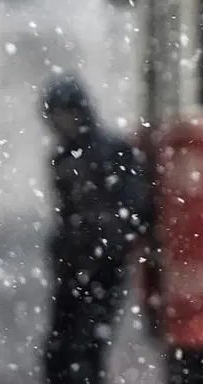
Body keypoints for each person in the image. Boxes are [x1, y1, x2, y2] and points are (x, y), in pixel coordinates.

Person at [40, 75, 151, 384]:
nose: (61, 123)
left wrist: (104, 240)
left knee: (86, 349)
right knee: (61, 350)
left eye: (66, 114)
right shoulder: (63, 157)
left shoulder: (110, 151)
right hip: (75, 266)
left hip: (102, 266)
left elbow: (135, 207)